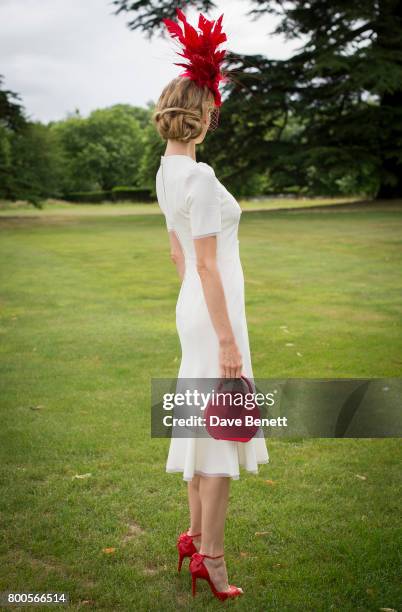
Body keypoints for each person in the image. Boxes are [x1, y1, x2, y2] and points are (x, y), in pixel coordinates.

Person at [153, 8, 269, 602]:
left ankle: (194, 539)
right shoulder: (197, 179)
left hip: (195, 307)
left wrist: (201, 315)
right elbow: (200, 260)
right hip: (213, 314)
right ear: (203, 117)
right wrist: (226, 340)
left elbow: (180, 260)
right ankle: (213, 560)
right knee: (222, 432)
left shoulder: (168, 172)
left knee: (204, 429)